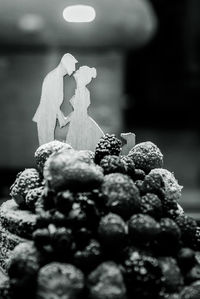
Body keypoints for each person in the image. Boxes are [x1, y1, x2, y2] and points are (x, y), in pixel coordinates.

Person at [33, 53, 78, 145]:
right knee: (46, 145)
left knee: (48, 144)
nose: (73, 69)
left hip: (50, 115)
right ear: (66, 64)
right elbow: (50, 101)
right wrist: (61, 117)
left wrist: (60, 116)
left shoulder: (58, 77)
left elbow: (54, 103)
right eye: (72, 66)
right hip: (45, 116)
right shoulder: (53, 77)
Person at [65, 66, 104, 151]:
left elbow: (80, 110)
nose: (76, 77)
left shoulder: (83, 91)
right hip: (77, 121)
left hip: (80, 122)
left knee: (80, 144)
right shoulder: (80, 90)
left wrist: (69, 118)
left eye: (78, 77)